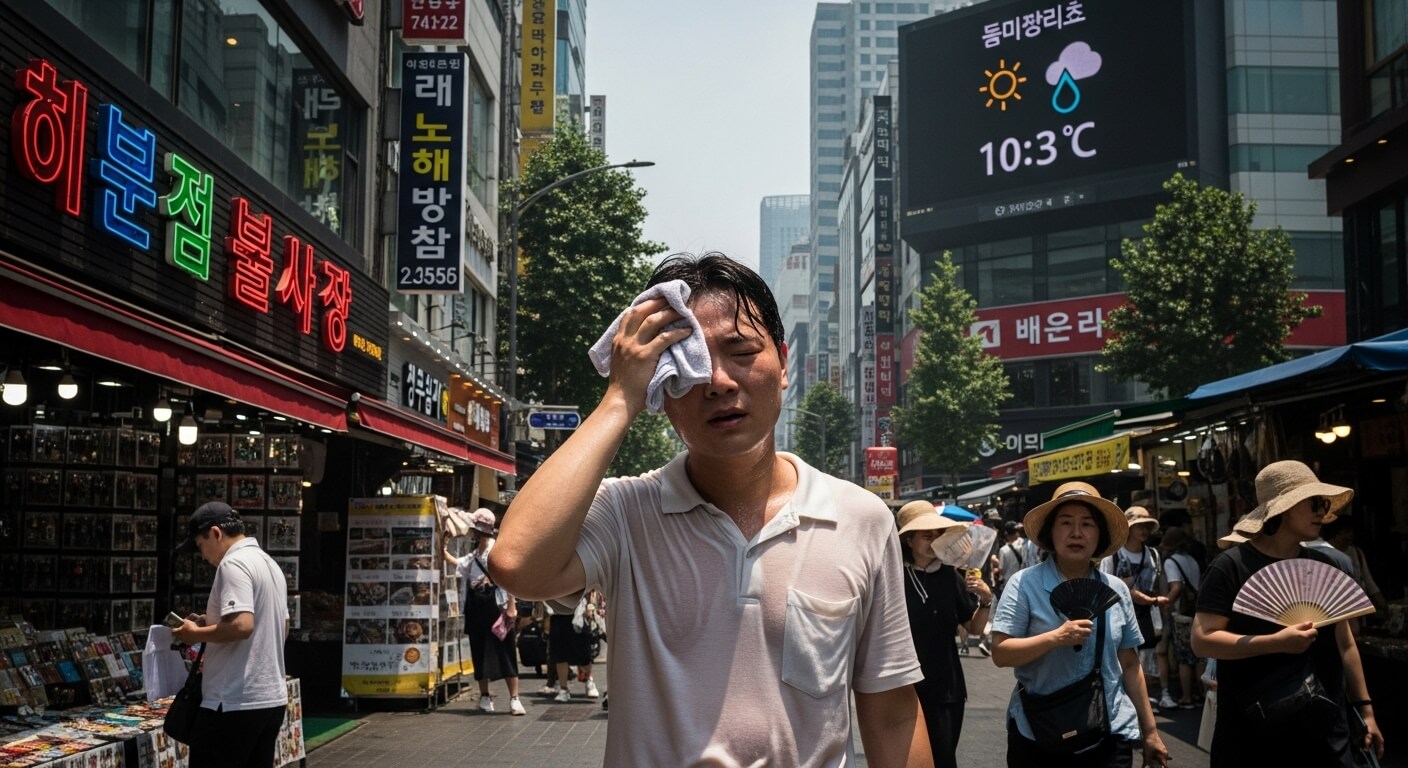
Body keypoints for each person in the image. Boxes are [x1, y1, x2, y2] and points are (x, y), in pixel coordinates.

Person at [490, 253, 929, 766]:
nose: (718, 380)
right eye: (689, 360)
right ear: (661, 387)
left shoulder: (860, 517)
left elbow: (891, 712)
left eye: (741, 351)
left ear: (784, 363)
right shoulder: (625, 511)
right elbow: (517, 563)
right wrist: (618, 398)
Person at [1192, 460, 1385, 767]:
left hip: (1325, 727)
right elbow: (1203, 641)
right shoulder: (1230, 566)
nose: (1322, 511)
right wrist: (1275, 642)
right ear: (1283, 508)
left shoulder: (1326, 566)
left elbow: (1346, 645)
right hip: (1254, 728)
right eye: (1313, 502)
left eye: (1324, 503)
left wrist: (1366, 712)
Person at [991, 482, 1170, 768]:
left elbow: (1130, 664)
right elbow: (1001, 653)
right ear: (1052, 531)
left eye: (1087, 524)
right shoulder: (1024, 584)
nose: (1076, 533)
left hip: (1109, 731)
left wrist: (1150, 732)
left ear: (1100, 535)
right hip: (1038, 731)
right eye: (1066, 523)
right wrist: (1055, 638)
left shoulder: (1116, 589)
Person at [171, 502, 289, 768]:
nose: (202, 556)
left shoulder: (233, 563)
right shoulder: (268, 563)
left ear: (215, 533)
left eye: (200, 545)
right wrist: (212, 622)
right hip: (270, 698)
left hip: (233, 700)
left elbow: (242, 625)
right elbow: (282, 626)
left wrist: (196, 633)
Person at [897, 501, 992, 768]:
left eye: (939, 534)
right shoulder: (893, 577)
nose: (935, 540)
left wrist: (985, 601)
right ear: (909, 540)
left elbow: (973, 627)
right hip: (903, 687)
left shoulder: (951, 576)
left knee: (944, 758)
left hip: (946, 686)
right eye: (927, 535)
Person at [443, 508, 525, 716]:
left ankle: (514, 698)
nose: (472, 534)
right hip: (477, 606)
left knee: (505, 649)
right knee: (479, 649)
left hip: (496, 606)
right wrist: (442, 545)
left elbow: (509, 579)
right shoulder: (475, 554)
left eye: (474, 530)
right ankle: (485, 696)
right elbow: (458, 564)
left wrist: (511, 605)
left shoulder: (497, 551)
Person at [1099, 506, 1173, 710]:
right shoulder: (1113, 556)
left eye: (1147, 526)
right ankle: (1124, 699)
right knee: (1123, 655)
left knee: (1149, 654)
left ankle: (1146, 698)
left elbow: (1161, 583)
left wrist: (1159, 603)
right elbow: (1105, 587)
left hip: (1149, 612)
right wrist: (1130, 594)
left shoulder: (1153, 555)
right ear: (1128, 528)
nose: (1144, 531)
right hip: (1120, 612)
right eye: (1139, 526)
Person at [1158, 527, 1203, 709]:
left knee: (1184, 658)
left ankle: (1186, 697)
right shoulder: (1191, 559)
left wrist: (1163, 602)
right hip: (1196, 611)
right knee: (1199, 656)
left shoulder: (1171, 562)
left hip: (1182, 614)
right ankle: (1201, 694)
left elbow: (1176, 587)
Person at [548, 590, 603, 701]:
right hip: (558, 611)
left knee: (584, 651)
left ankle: (589, 681)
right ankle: (564, 689)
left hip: (579, 611)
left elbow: (589, 586)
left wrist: (589, 605)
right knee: (560, 653)